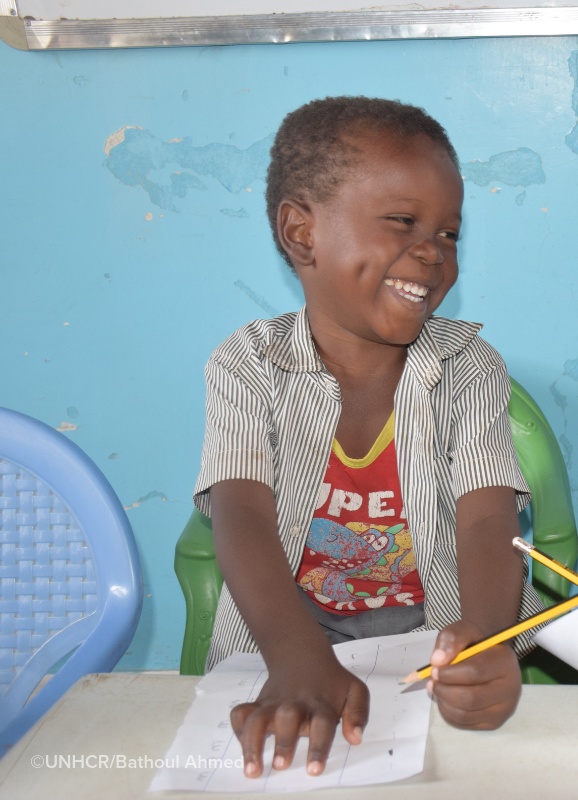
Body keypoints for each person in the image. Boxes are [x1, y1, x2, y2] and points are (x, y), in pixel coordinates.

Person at [193, 97, 541, 779]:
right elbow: (241, 519)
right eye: (403, 223)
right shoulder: (246, 365)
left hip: (431, 639)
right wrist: (298, 662)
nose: (432, 254)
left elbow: (486, 521)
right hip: (285, 638)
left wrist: (486, 641)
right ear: (301, 233)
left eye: (449, 234)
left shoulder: (467, 370)